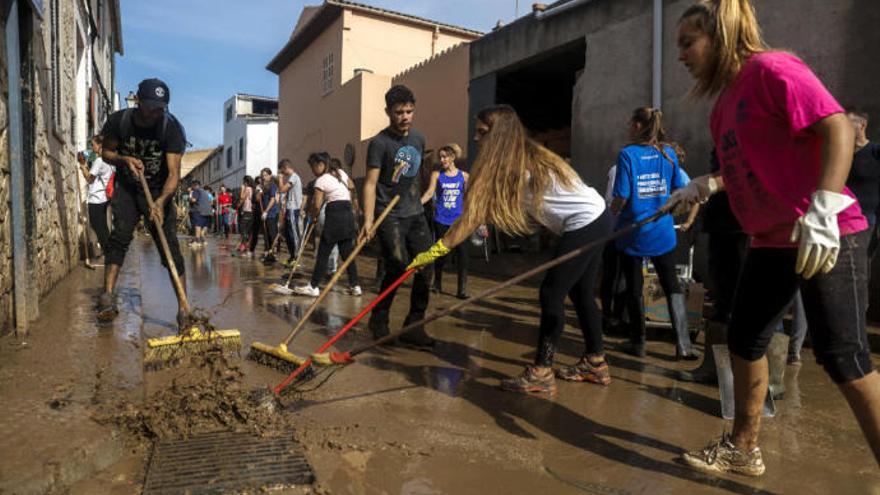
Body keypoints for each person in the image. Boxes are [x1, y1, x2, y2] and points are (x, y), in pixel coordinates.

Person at [672, 0, 879, 476]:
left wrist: (824, 206)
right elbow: (747, 165)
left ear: (719, 35)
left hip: (824, 233)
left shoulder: (771, 68)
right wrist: (706, 183)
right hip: (772, 240)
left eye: (688, 42)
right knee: (744, 339)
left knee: (844, 357)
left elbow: (838, 128)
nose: (682, 55)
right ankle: (743, 447)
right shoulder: (723, 105)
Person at [409, 105, 612, 393]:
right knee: (580, 293)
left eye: (482, 133)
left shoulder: (512, 164)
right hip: (597, 216)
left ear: (499, 134)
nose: (477, 139)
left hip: (586, 222)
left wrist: (430, 254)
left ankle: (542, 371)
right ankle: (596, 362)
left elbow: (468, 222)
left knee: (551, 292)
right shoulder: (519, 157)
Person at [96, 78, 188, 326]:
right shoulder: (119, 121)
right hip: (127, 187)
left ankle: (183, 309)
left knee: (169, 244)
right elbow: (106, 153)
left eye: (160, 107)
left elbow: (173, 175)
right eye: (151, 106)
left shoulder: (172, 129)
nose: (156, 112)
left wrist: (159, 202)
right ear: (138, 101)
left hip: (159, 191)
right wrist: (125, 160)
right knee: (120, 237)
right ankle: (107, 297)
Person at [611, 107, 698, 361]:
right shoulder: (667, 153)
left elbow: (622, 197)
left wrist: (611, 213)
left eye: (630, 123)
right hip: (661, 232)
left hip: (633, 232)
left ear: (638, 126)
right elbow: (681, 191)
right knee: (671, 284)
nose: (628, 128)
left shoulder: (627, 154)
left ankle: (638, 343)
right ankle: (683, 346)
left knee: (634, 287)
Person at [361, 85, 435, 349]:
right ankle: (379, 320)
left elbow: (415, 175)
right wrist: (368, 220)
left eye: (409, 111)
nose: (405, 117)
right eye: (399, 112)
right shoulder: (379, 143)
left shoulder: (418, 139)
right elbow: (370, 184)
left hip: (415, 213)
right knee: (397, 264)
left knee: (427, 266)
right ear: (388, 112)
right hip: (389, 214)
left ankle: (414, 326)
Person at [294, 153, 361, 297]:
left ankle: (313, 286)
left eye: (312, 166)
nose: (312, 170)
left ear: (320, 165)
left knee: (323, 253)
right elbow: (352, 187)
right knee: (347, 253)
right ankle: (355, 286)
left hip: (335, 214)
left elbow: (316, 204)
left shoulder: (321, 180)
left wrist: (312, 217)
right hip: (347, 213)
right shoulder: (341, 173)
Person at [420, 143, 470, 299]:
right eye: (440, 157)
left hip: (459, 221)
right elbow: (429, 193)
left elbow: (468, 199)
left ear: (452, 157)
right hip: (441, 219)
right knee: (441, 254)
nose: (442, 160)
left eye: (445, 157)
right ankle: (437, 284)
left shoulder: (464, 176)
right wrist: (416, 205)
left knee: (463, 255)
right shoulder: (437, 175)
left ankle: (461, 289)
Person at [845, 107, 880, 259]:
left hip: (867, 223)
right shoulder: (838, 156)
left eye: (847, 123)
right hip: (838, 223)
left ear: (862, 124)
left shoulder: (875, 152)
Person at [77, 134, 114, 253]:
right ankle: (109, 251)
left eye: (93, 145)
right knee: (103, 226)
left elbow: (89, 179)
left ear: (100, 145)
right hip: (104, 198)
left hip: (96, 199)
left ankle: (109, 253)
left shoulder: (99, 160)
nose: (92, 148)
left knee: (98, 226)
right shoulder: (109, 160)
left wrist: (82, 165)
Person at [278, 159, 303, 267]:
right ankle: (292, 256)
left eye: (282, 171)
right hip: (289, 208)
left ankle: (296, 257)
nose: (282, 173)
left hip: (293, 208)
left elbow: (282, 189)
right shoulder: (291, 177)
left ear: (285, 167)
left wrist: (280, 179)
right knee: (288, 234)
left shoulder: (294, 177)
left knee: (293, 233)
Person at [257, 168, 280, 264]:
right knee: (265, 234)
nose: (263, 177)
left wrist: (266, 211)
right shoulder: (262, 186)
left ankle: (273, 253)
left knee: (271, 233)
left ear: (270, 175)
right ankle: (267, 252)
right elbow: (258, 200)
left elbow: (273, 199)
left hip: (272, 213)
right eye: (262, 175)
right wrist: (259, 192)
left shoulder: (272, 186)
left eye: (266, 175)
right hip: (264, 213)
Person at [188, 180, 211, 246]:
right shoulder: (204, 192)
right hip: (208, 211)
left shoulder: (196, 191)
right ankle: (203, 240)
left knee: (197, 225)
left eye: (192, 186)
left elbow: (193, 200)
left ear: (194, 186)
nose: (191, 187)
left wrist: (190, 194)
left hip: (200, 211)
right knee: (204, 225)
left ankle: (197, 241)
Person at [238, 175, 255, 253]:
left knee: (243, 228)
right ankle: (244, 244)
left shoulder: (247, 188)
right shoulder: (252, 189)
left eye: (243, 182)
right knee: (246, 229)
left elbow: (242, 197)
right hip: (250, 211)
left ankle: (244, 244)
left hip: (247, 210)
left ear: (246, 182)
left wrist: (242, 189)